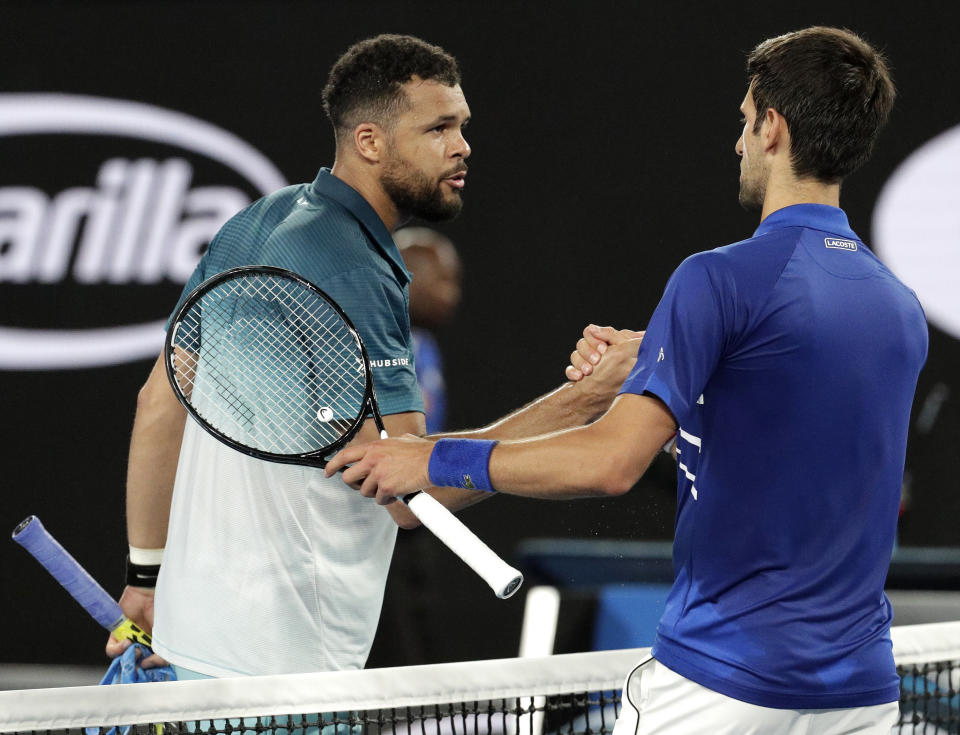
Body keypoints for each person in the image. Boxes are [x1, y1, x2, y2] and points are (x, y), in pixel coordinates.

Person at [328, 27, 926, 733]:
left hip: (722, 688)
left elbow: (612, 463)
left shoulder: (717, 279)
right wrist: (661, 383)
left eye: (743, 121)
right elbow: (777, 462)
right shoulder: (899, 307)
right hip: (859, 696)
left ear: (772, 127)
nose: (738, 143)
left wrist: (429, 455)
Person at [107, 33, 631, 679]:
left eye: (462, 125)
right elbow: (413, 491)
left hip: (193, 633)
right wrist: (588, 396)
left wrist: (146, 576)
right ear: (369, 142)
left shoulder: (250, 223)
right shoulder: (358, 266)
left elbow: (159, 404)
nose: (462, 145)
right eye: (438, 127)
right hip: (288, 663)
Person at [396, 226, 463, 433]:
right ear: (407, 277)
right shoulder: (370, 346)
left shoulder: (424, 344)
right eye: (443, 279)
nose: (452, 293)